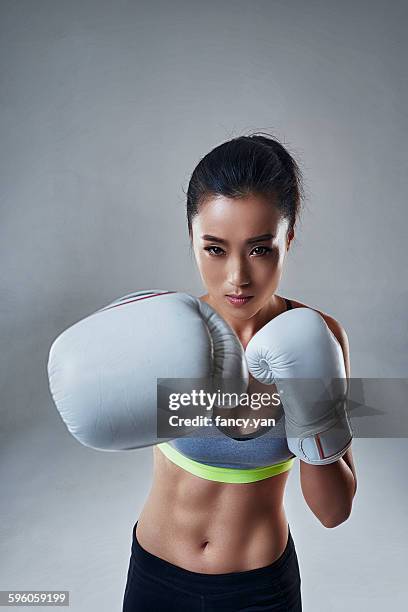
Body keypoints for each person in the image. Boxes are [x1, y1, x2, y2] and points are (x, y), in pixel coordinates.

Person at [48, 134, 357, 611]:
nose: (237, 276)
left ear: (288, 238)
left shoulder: (320, 337)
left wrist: (316, 424)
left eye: (260, 249)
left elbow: (333, 512)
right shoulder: (165, 328)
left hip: (260, 590)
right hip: (156, 577)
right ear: (191, 238)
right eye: (215, 249)